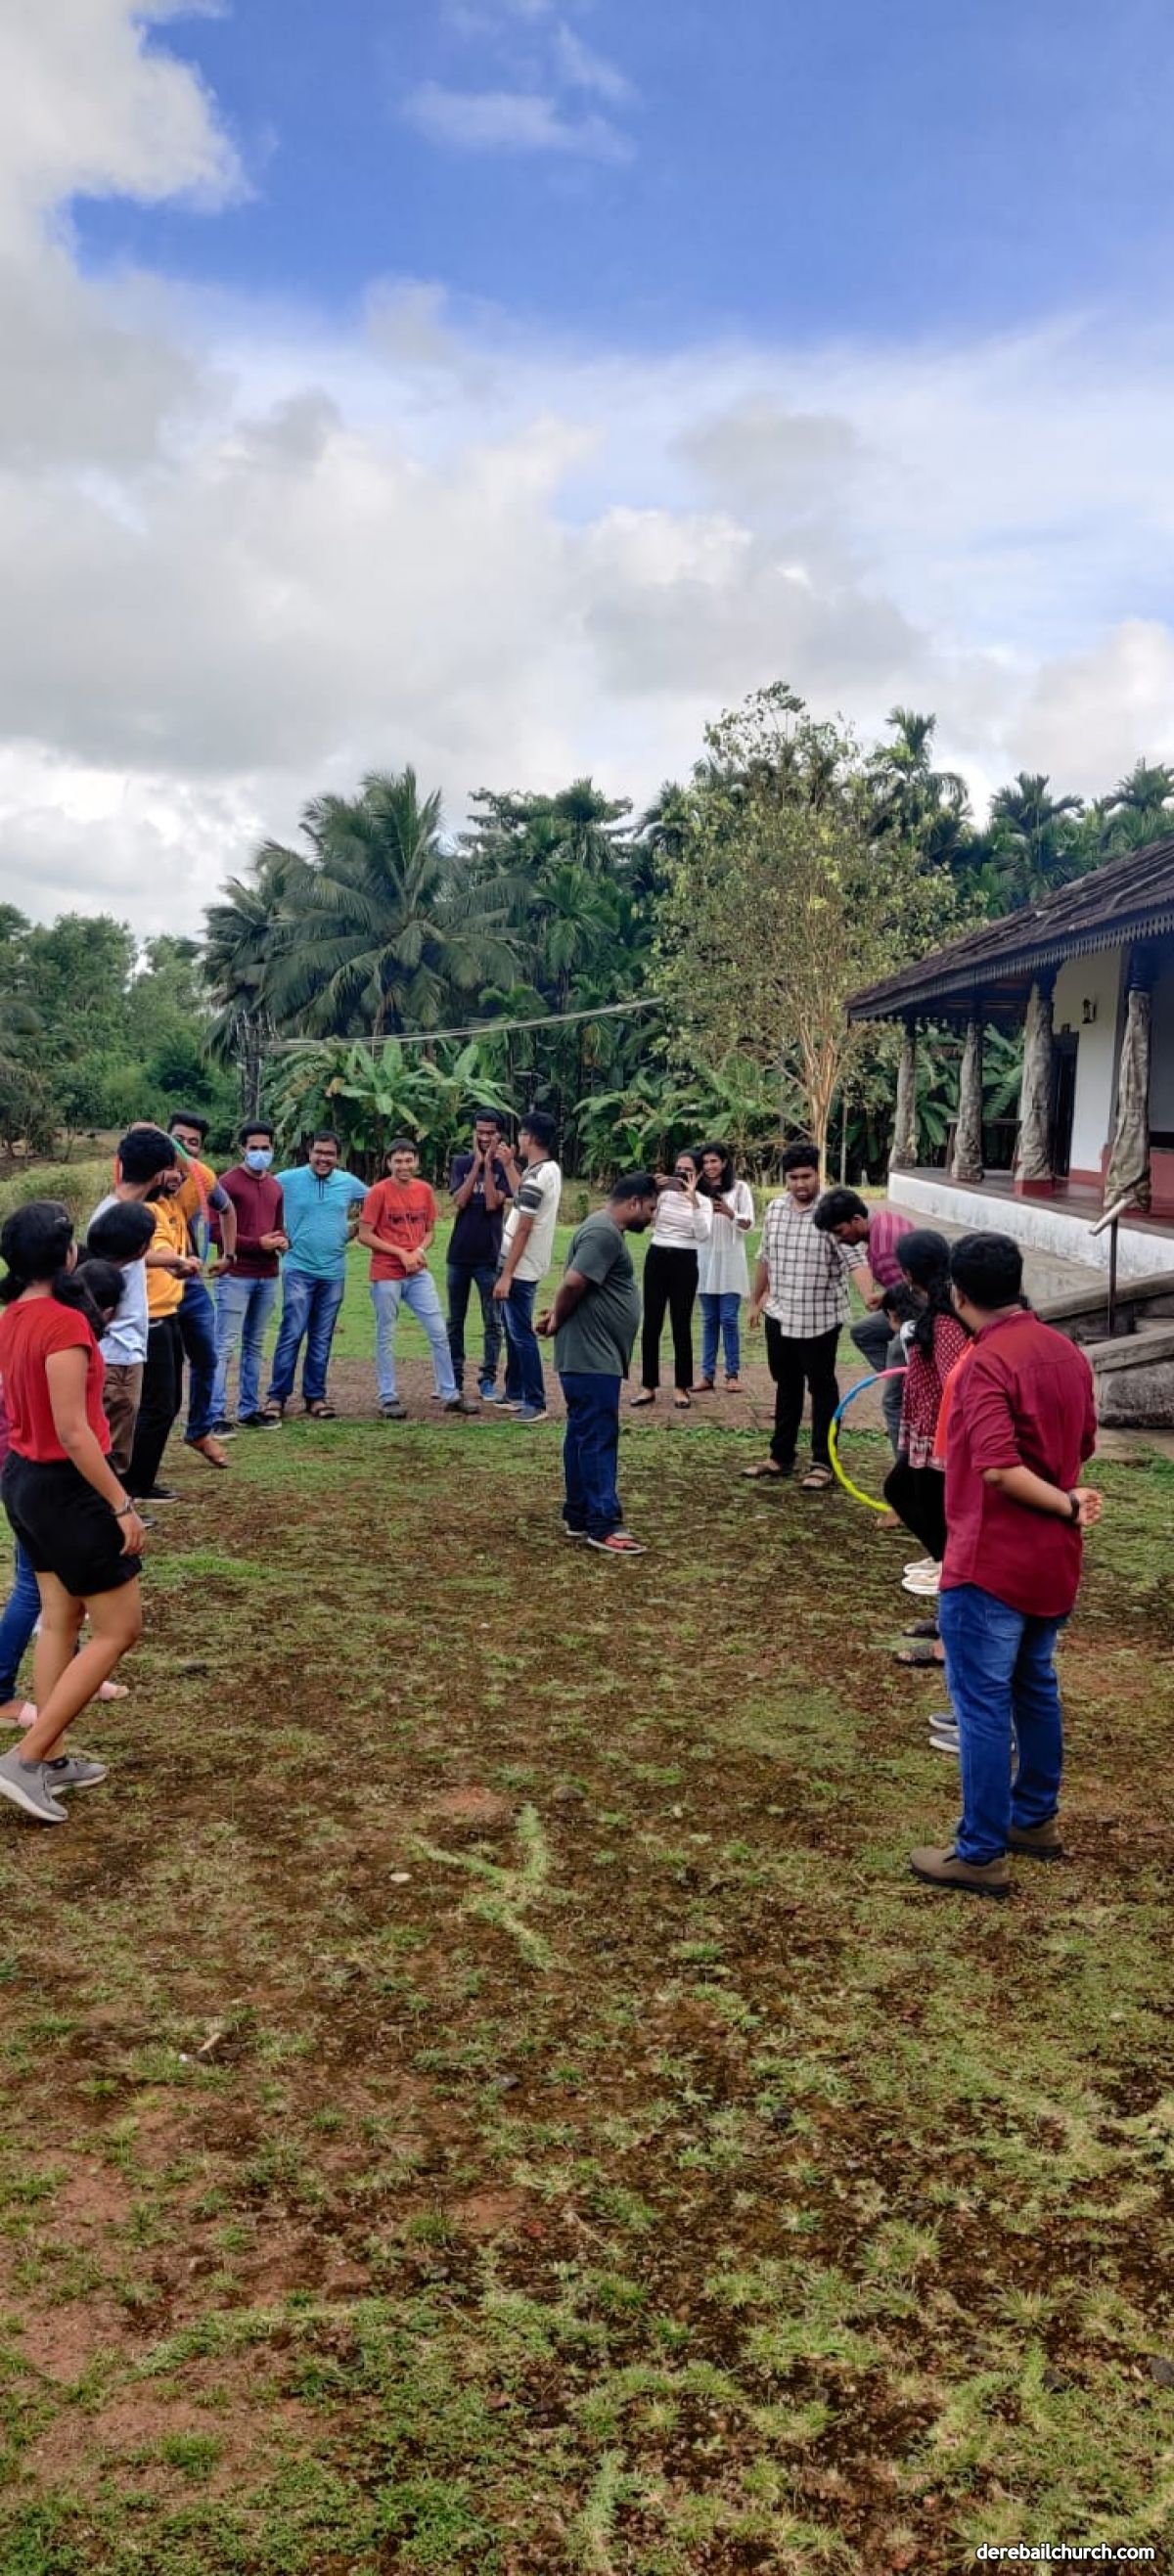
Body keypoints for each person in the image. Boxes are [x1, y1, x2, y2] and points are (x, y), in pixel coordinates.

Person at [910, 1231, 1101, 1900]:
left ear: (957, 1295)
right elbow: (1083, 1443)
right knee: (1034, 1684)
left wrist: (1065, 1503)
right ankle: (1034, 1818)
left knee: (983, 1705)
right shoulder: (1066, 1352)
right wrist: (1067, 1501)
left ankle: (981, 1851)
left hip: (990, 1560)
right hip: (1052, 1561)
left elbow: (997, 1468)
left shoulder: (984, 1364)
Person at [0, 1202, 147, 1827]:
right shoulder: (63, 1324)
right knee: (120, 1629)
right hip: (65, 1487)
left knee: (60, 1617)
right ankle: (26, 1758)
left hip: (24, 1482)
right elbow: (73, 1431)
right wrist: (121, 1504)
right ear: (66, 1257)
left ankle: (52, 1756)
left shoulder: (12, 1314)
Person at [538, 1172, 659, 1558]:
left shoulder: (601, 1229)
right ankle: (603, 1524)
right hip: (591, 1357)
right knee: (597, 1436)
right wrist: (557, 1318)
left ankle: (579, 1514)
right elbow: (574, 1282)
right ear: (634, 1202)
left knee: (582, 1432)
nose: (652, 1217)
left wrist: (556, 1315)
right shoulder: (604, 1232)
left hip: (590, 1354)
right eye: (651, 1208)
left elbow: (582, 1285)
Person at [745, 1143, 865, 1491]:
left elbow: (856, 1261)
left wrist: (870, 1296)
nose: (800, 1184)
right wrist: (755, 1301)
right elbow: (765, 1257)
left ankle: (823, 1462)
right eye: (794, 1177)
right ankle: (780, 1456)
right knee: (787, 1385)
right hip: (779, 1313)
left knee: (822, 1388)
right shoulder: (775, 1209)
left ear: (818, 1174)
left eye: (806, 1176)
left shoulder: (832, 1212)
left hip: (820, 1318)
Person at [883, 1234, 970, 1679]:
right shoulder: (937, 1311)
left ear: (910, 1272)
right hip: (926, 1432)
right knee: (902, 1491)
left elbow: (957, 1377)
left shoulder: (948, 1320)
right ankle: (949, 1615)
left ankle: (950, 1638)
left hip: (941, 1442)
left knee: (946, 1533)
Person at [87, 1123, 183, 1474]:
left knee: (118, 1439)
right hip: (117, 1352)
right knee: (111, 1446)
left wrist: (171, 1262)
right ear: (159, 1174)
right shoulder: (119, 1217)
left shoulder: (118, 1215)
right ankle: (113, 1504)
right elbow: (100, 1290)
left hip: (124, 1348)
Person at [360, 1139, 478, 1421]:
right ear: (389, 1163)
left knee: (438, 1330)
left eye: (409, 1160)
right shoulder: (378, 1192)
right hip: (386, 1272)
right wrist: (400, 1253)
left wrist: (418, 1252)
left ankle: (450, 1392)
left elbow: (430, 1231)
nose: (404, 1166)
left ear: (416, 1162)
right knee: (386, 1334)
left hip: (417, 1272)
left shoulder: (424, 1190)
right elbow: (365, 1235)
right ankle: (387, 1395)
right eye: (398, 1161)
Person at [263, 1131, 366, 1420]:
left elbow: (377, 1200)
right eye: (319, 1152)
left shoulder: (347, 1182)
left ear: (338, 1157)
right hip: (298, 1268)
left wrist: (356, 1229)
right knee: (292, 1332)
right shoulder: (287, 1179)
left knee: (321, 1337)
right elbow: (262, 1199)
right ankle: (277, 1396)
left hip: (333, 1272)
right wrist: (277, 1235)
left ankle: (315, 1396)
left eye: (329, 1154)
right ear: (309, 1153)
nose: (323, 1158)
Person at [126, 1160, 203, 1503]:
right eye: (169, 1169)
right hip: (152, 1316)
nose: (177, 1176)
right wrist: (176, 1261)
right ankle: (134, 1484)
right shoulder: (143, 1211)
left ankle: (143, 1480)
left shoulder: (170, 1206)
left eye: (180, 1170)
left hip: (169, 1312)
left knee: (168, 1403)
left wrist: (180, 1267)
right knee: (156, 1405)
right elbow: (156, 1250)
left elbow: (205, 1180)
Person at [167, 1111, 238, 1469]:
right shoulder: (144, 1176)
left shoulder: (203, 1178)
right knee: (159, 1370)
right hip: (153, 1287)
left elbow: (227, 1209)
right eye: (179, 1139)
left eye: (193, 1142)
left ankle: (199, 1430)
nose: (185, 1147)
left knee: (207, 1358)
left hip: (192, 1286)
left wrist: (228, 1255)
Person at [210, 1124, 288, 1431]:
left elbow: (278, 1226)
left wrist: (281, 1241)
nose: (260, 1153)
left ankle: (248, 1409)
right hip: (236, 1274)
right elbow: (216, 1231)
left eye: (265, 1148)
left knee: (254, 1345)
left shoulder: (275, 1186)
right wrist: (257, 1244)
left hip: (267, 1275)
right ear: (242, 1148)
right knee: (224, 1346)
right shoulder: (226, 1184)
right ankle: (214, 1414)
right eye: (254, 1148)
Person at [493, 1111, 563, 1424]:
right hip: (529, 1263)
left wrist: (507, 1275)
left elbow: (523, 1227)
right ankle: (515, 1391)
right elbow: (523, 1196)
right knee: (514, 1331)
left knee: (521, 1334)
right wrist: (510, 1166)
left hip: (520, 1266)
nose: (518, 1140)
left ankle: (535, 1400)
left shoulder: (537, 1177)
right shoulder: (547, 1170)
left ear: (530, 1138)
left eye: (521, 1134)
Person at [631, 1150, 711, 1411]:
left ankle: (681, 1387)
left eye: (688, 1171)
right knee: (651, 1323)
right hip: (657, 1256)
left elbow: (703, 1235)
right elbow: (646, 1221)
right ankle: (648, 1385)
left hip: (685, 1260)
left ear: (698, 1174)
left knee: (681, 1324)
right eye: (679, 1169)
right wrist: (653, 1190)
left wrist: (693, 1201)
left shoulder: (703, 1202)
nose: (682, 1175)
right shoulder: (663, 1196)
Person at [83, 1201, 158, 1477]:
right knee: (113, 1445)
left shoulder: (95, 1269)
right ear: (141, 1247)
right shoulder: (117, 1276)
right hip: (120, 1361)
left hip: (109, 1358)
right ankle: (110, 1499)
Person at [812, 1188, 916, 1375]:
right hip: (922, 1299)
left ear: (856, 1220)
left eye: (839, 1231)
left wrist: (896, 1321)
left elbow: (910, 1302)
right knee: (863, 1331)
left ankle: (908, 1383)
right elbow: (910, 1283)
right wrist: (886, 1298)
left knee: (895, 1358)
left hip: (923, 1317)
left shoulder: (882, 1252)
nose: (838, 1239)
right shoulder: (884, 1218)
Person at [447, 1111, 514, 1401]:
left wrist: (488, 1165)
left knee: (492, 1322)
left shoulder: (506, 1167)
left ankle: (487, 1379)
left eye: (490, 1133)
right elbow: (460, 1201)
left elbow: (491, 1204)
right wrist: (476, 1164)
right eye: (480, 1132)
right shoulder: (461, 1163)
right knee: (455, 1320)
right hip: (459, 1255)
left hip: (488, 1256)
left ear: (499, 1135)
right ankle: (454, 1379)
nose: (485, 1138)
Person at [695, 1144, 755, 1392]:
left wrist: (731, 1214)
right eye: (705, 1162)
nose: (709, 1167)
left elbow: (749, 1224)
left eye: (714, 1161)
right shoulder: (696, 1191)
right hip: (704, 1260)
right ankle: (707, 1374)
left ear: (724, 1162)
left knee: (729, 1319)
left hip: (731, 1261)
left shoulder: (739, 1188)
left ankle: (732, 1374)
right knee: (709, 1319)